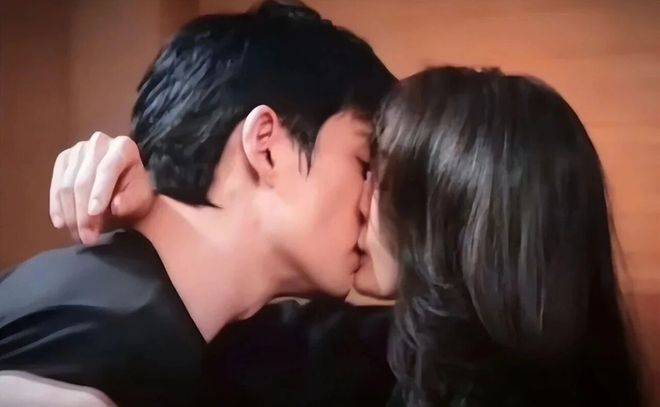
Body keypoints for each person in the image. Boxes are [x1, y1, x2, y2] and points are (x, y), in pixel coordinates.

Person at [57, 67, 642, 406]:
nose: (361, 198)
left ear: (454, 213)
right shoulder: (355, 351)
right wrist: (148, 213)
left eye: (377, 173)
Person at [0, 1, 395, 404]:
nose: (375, 203)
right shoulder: (105, 344)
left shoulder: (211, 340)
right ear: (267, 146)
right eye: (364, 165)